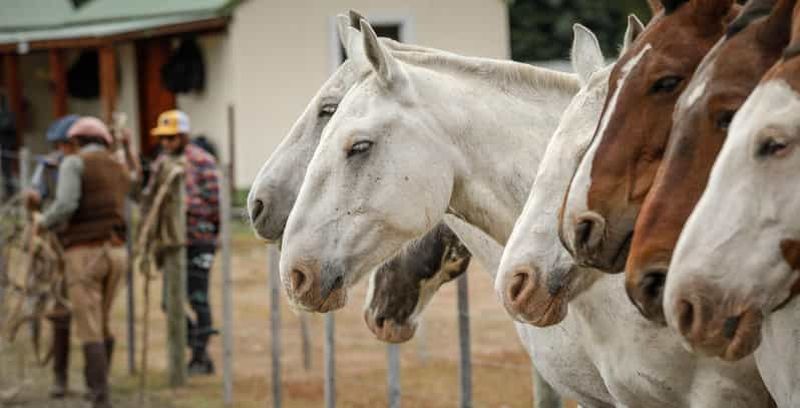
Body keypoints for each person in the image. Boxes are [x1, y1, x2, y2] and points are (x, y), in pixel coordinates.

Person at [33, 116, 131, 408]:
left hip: (85, 253)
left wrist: (43, 222)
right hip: (116, 252)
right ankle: (98, 390)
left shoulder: (74, 163)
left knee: (89, 326)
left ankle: (99, 397)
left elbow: (66, 204)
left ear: (76, 141)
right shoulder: (118, 166)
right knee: (102, 321)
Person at [149, 110, 219, 375]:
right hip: (172, 241)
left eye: (171, 138)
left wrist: (207, 229)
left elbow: (215, 202)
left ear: (183, 136)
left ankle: (199, 357)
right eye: (163, 138)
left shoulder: (202, 161)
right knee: (169, 301)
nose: (166, 143)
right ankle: (196, 347)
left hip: (199, 240)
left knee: (198, 299)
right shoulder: (160, 163)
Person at [22, 114, 79, 399]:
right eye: (58, 144)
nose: (60, 149)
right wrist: (32, 199)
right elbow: (36, 193)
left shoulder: (89, 164)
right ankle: (60, 376)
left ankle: (98, 382)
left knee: (93, 314)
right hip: (56, 246)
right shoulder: (48, 166)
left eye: (64, 144)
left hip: (86, 244)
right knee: (59, 309)